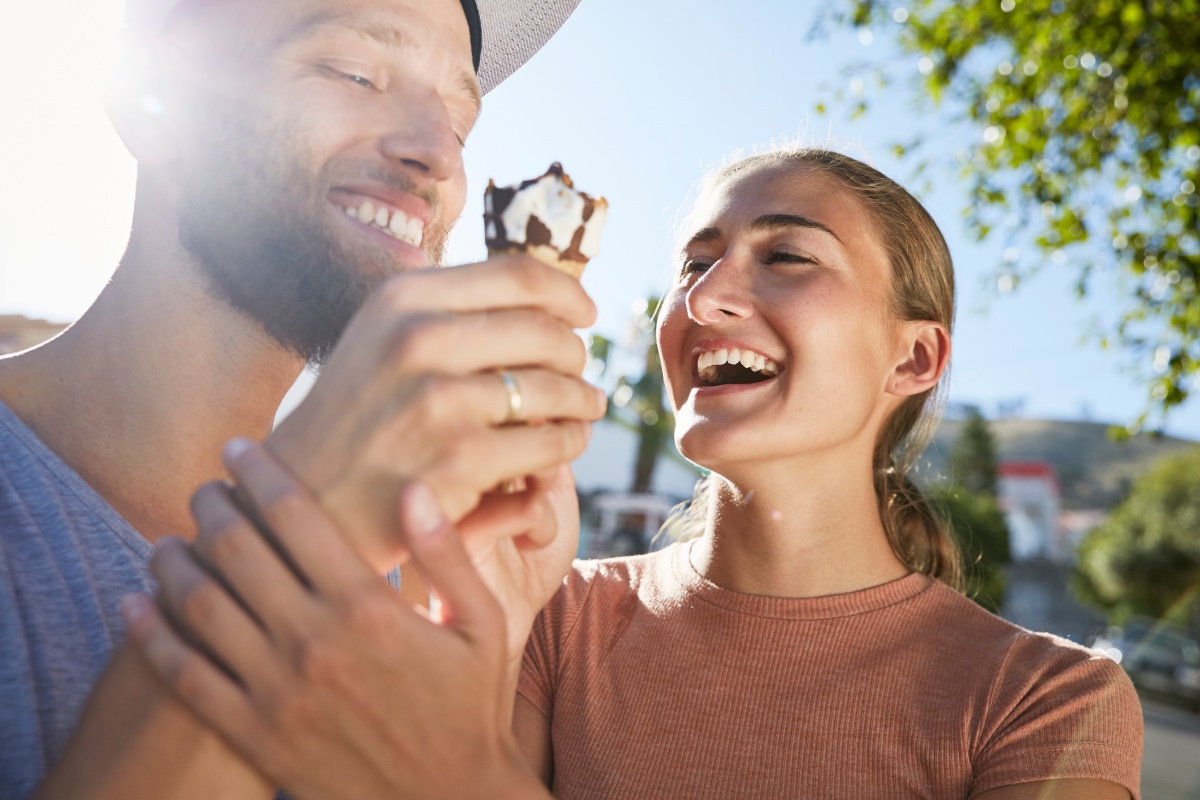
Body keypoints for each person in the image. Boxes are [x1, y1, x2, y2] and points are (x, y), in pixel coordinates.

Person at [126, 147, 1143, 800]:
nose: (706, 297)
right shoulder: (556, 619)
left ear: (913, 359)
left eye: (787, 256)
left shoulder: (1049, 703)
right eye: (694, 264)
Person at [0, 0, 602, 797]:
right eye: (354, 72)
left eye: (459, 121)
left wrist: (483, 649)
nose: (439, 159)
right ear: (155, 95)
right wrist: (304, 543)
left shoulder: (411, 562)